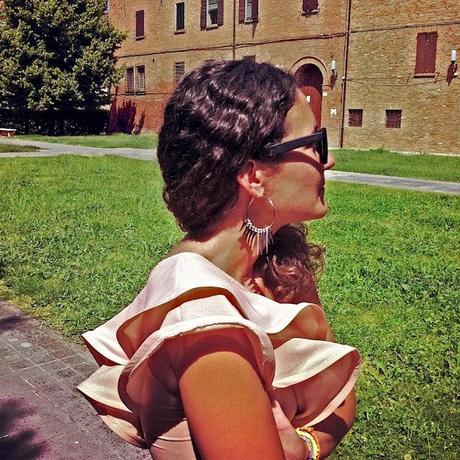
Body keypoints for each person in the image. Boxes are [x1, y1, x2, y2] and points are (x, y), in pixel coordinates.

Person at [78, 60, 360, 459]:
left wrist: (308, 447)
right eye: (314, 143)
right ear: (254, 176)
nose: (326, 161)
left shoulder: (274, 265)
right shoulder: (205, 324)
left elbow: (339, 399)